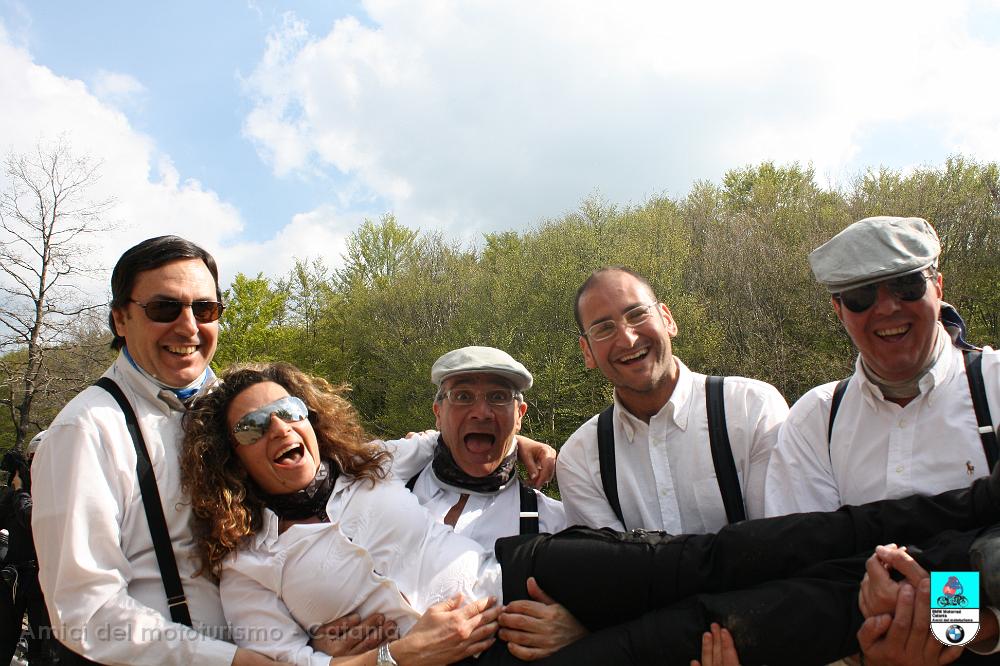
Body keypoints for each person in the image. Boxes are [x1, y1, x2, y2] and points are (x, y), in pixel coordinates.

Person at [181, 361, 1000, 666]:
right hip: (499, 654)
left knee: (728, 555)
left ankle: (976, 514)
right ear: (230, 456)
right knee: (724, 624)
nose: (279, 430)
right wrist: (397, 657)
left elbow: (457, 434)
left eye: (288, 411)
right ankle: (968, 581)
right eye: (253, 426)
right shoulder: (248, 565)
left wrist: (526, 449)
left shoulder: (371, 463)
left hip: (528, 572)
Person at [29, 236, 558, 666]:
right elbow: (85, 611)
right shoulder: (85, 430)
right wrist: (243, 660)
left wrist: (510, 439)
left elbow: (386, 450)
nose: (188, 326)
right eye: (165, 308)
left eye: (205, 308)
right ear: (120, 319)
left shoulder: (228, 404)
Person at [764, 215, 999, 515]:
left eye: (907, 285)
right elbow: (805, 542)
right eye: (861, 296)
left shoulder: (994, 386)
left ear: (938, 287)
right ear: (839, 310)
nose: (887, 308)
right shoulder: (815, 422)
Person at [557, 267, 789, 533]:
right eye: (604, 329)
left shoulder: (752, 408)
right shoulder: (580, 459)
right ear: (587, 352)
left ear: (667, 319)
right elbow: (610, 562)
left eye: (637, 314)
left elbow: (778, 543)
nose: (628, 339)